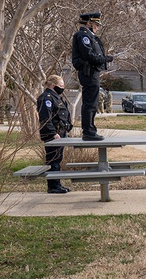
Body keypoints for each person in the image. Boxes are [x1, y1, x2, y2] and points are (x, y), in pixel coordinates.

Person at [71, 12, 112, 141]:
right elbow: (89, 55)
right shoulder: (83, 35)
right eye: (96, 24)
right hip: (88, 72)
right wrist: (105, 59)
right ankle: (88, 131)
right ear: (89, 23)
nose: (98, 27)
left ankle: (90, 129)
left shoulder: (89, 36)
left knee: (92, 103)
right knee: (90, 103)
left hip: (92, 72)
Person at [36, 74, 73, 194]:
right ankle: (53, 186)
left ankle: (56, 184)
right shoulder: (46, 98)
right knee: (53, 159)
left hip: (61, 133)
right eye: (61, 86)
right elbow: (45, 118)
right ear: (52, 85)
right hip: (53, 135)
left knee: (58, 158)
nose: (62, 88)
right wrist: (52, 133)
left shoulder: (56, 97)